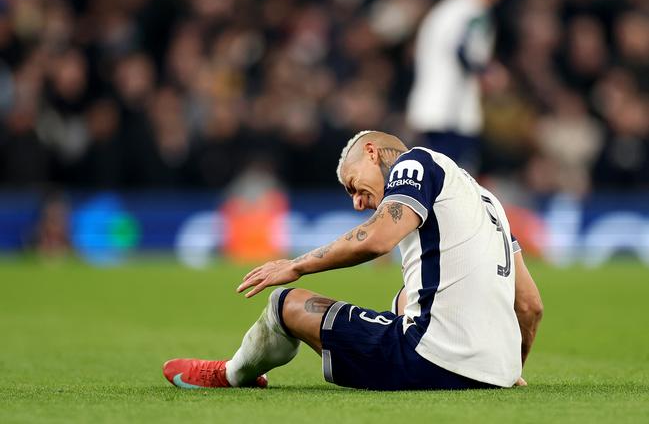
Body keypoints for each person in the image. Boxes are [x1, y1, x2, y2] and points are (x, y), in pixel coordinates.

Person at [163, 130, 543, 390]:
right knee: (403, 299)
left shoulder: (416, 163)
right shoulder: (488, 201)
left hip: (431, 359)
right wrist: (508, 369)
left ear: (373, 153)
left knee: (285, 304)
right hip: (496, 371)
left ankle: (230, 374)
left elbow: (377, 239)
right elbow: (529, 306)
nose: (357, 202)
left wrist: (294, 265)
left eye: (352, 185)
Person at [405, 0, 505, 172]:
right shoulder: (473, 8)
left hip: (431, 108)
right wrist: (489, 72)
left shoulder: (445, 9)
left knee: (433, 181)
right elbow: (465, 49)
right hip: (452, 113)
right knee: (451, 187)